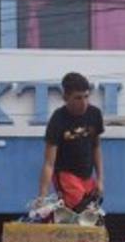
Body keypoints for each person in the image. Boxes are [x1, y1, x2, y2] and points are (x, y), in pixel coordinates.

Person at [37, 71, 104, 211]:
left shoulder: (95, 114)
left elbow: (96, 147)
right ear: (65, 97)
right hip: (66, 175)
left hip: (87, 176)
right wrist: (42, 195)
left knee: (91, 213)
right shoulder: (58, 119)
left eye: (86, 96)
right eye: (78, 98)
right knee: (79, 207)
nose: (83, 103)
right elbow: (49, 162)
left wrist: (100, 179)